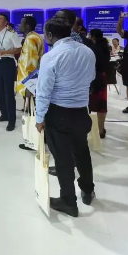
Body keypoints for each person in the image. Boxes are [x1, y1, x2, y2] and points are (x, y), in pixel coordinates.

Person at [35, 17, 96, 217]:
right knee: (82, 152)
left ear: (50, 35)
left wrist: (39, 118)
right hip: (81, 111)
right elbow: (91, 78)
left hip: (59, 112)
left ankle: (69, 201)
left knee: (62, 158)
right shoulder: (87, 51)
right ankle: (87, 190)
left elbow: (43, 92)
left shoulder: (51, 56)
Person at [0, 13, 22, 131]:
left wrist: (5, 52)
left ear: (5, 22)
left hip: (8, 63)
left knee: (8, 92)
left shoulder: (11, 34)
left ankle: (12, 120)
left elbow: (19, 48)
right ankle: (4, 114)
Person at [16, 16, 45, 150]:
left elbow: (31, 64)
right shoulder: (36, 37)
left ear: (27, 26)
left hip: (29, 84)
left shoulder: (30, 39)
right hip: (32, 82)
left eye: (21, 23)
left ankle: (34, 142)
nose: (19, 25)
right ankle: (37, 139)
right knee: (34, 111)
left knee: (32, 113)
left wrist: (30, 86)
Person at [88, 29, 111, 139]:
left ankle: (90, 129)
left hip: (92, 77)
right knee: (102, 105)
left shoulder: (92, 49)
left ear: (93, 36)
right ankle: (101, 129)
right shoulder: (105, 47)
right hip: (102, 77)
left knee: (89, 104)